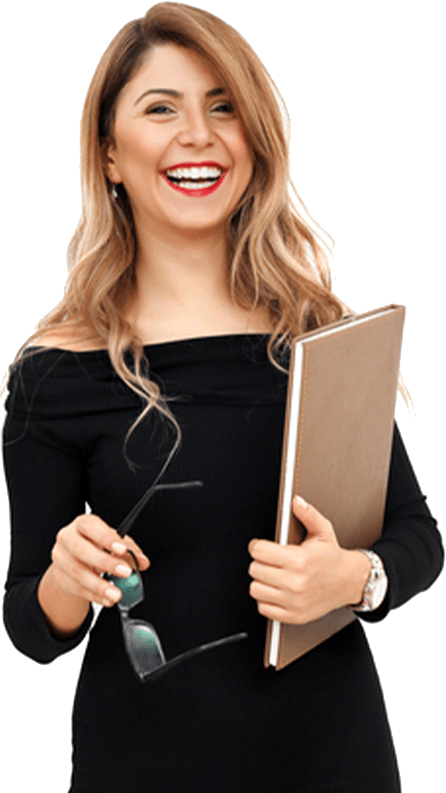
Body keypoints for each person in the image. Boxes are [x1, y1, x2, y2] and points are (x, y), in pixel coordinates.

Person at [2, 3, 443, 792]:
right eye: (161, 107)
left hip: (333, 761)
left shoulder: (317, 333)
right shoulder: (54, 374)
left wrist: (356, 579)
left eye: (223, 106)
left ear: (253, 140)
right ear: (108, 152)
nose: (198, 134)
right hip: (141, 768)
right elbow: (33, 628)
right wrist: (67, 580)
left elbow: (417, 537)